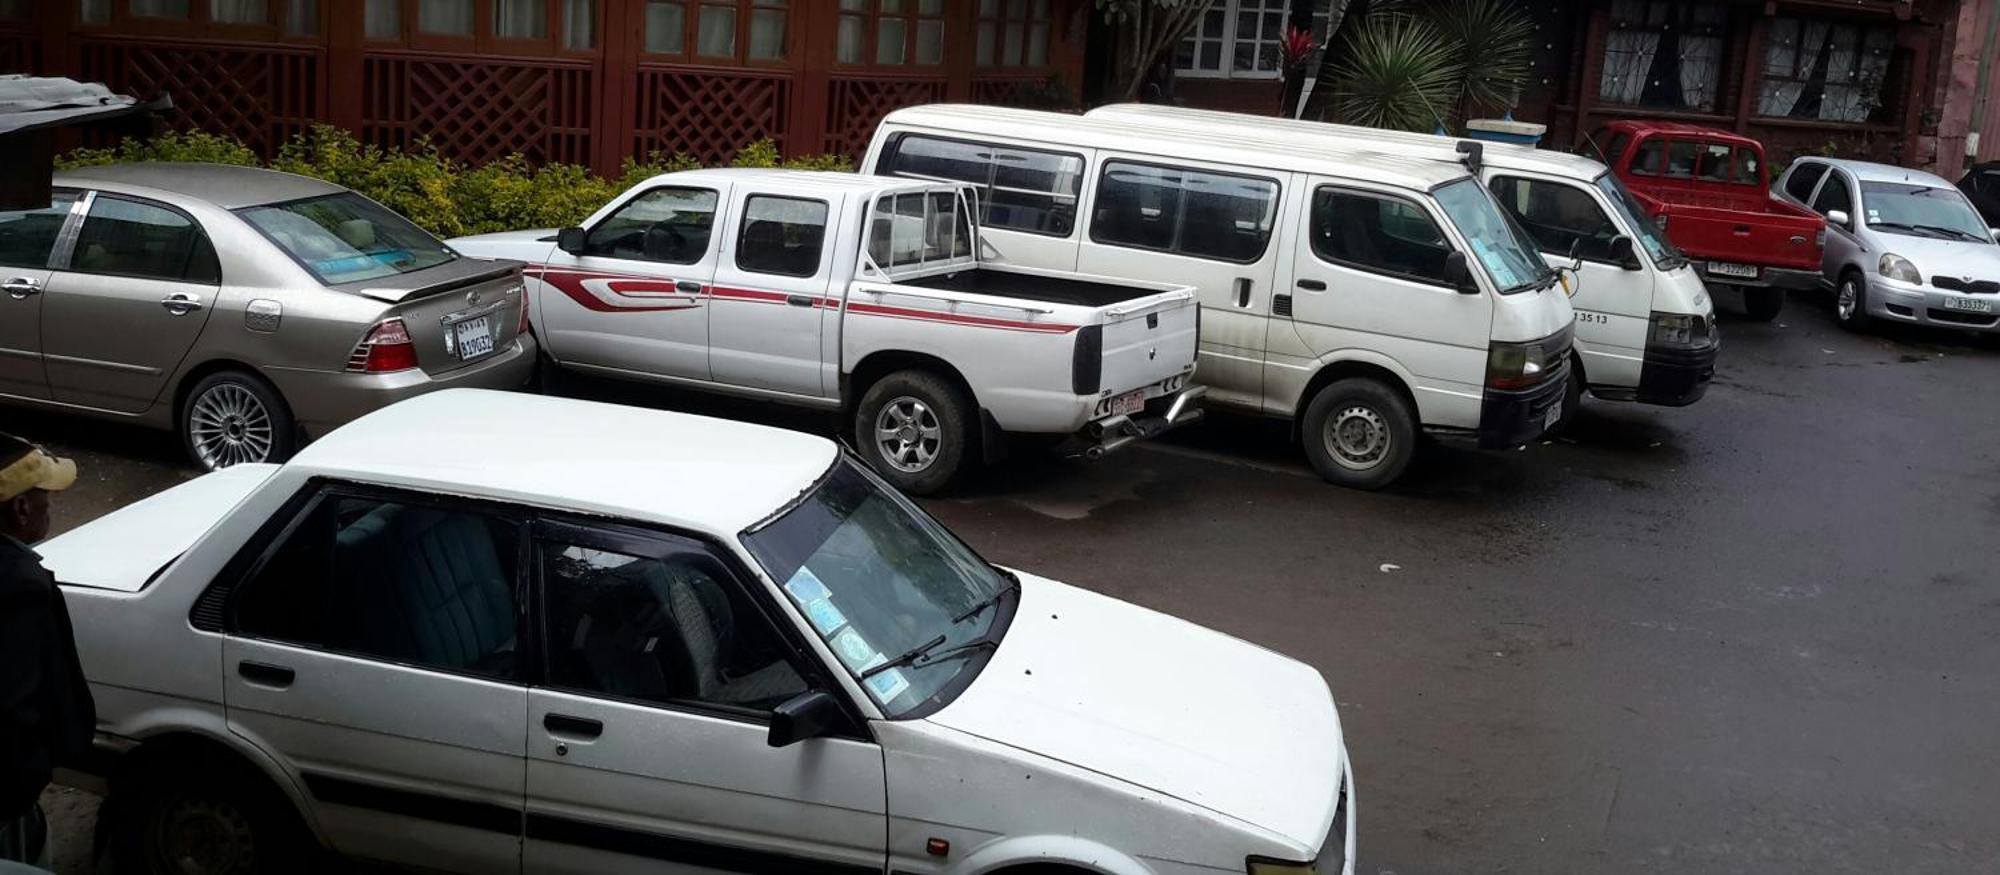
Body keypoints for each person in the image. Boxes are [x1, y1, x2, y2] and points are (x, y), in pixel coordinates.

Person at [0, 434, 93, 868]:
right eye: (45, 500)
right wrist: (30, 778)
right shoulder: (20, 586)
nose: (50, 508)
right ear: (20, 509)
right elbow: (17, 706)